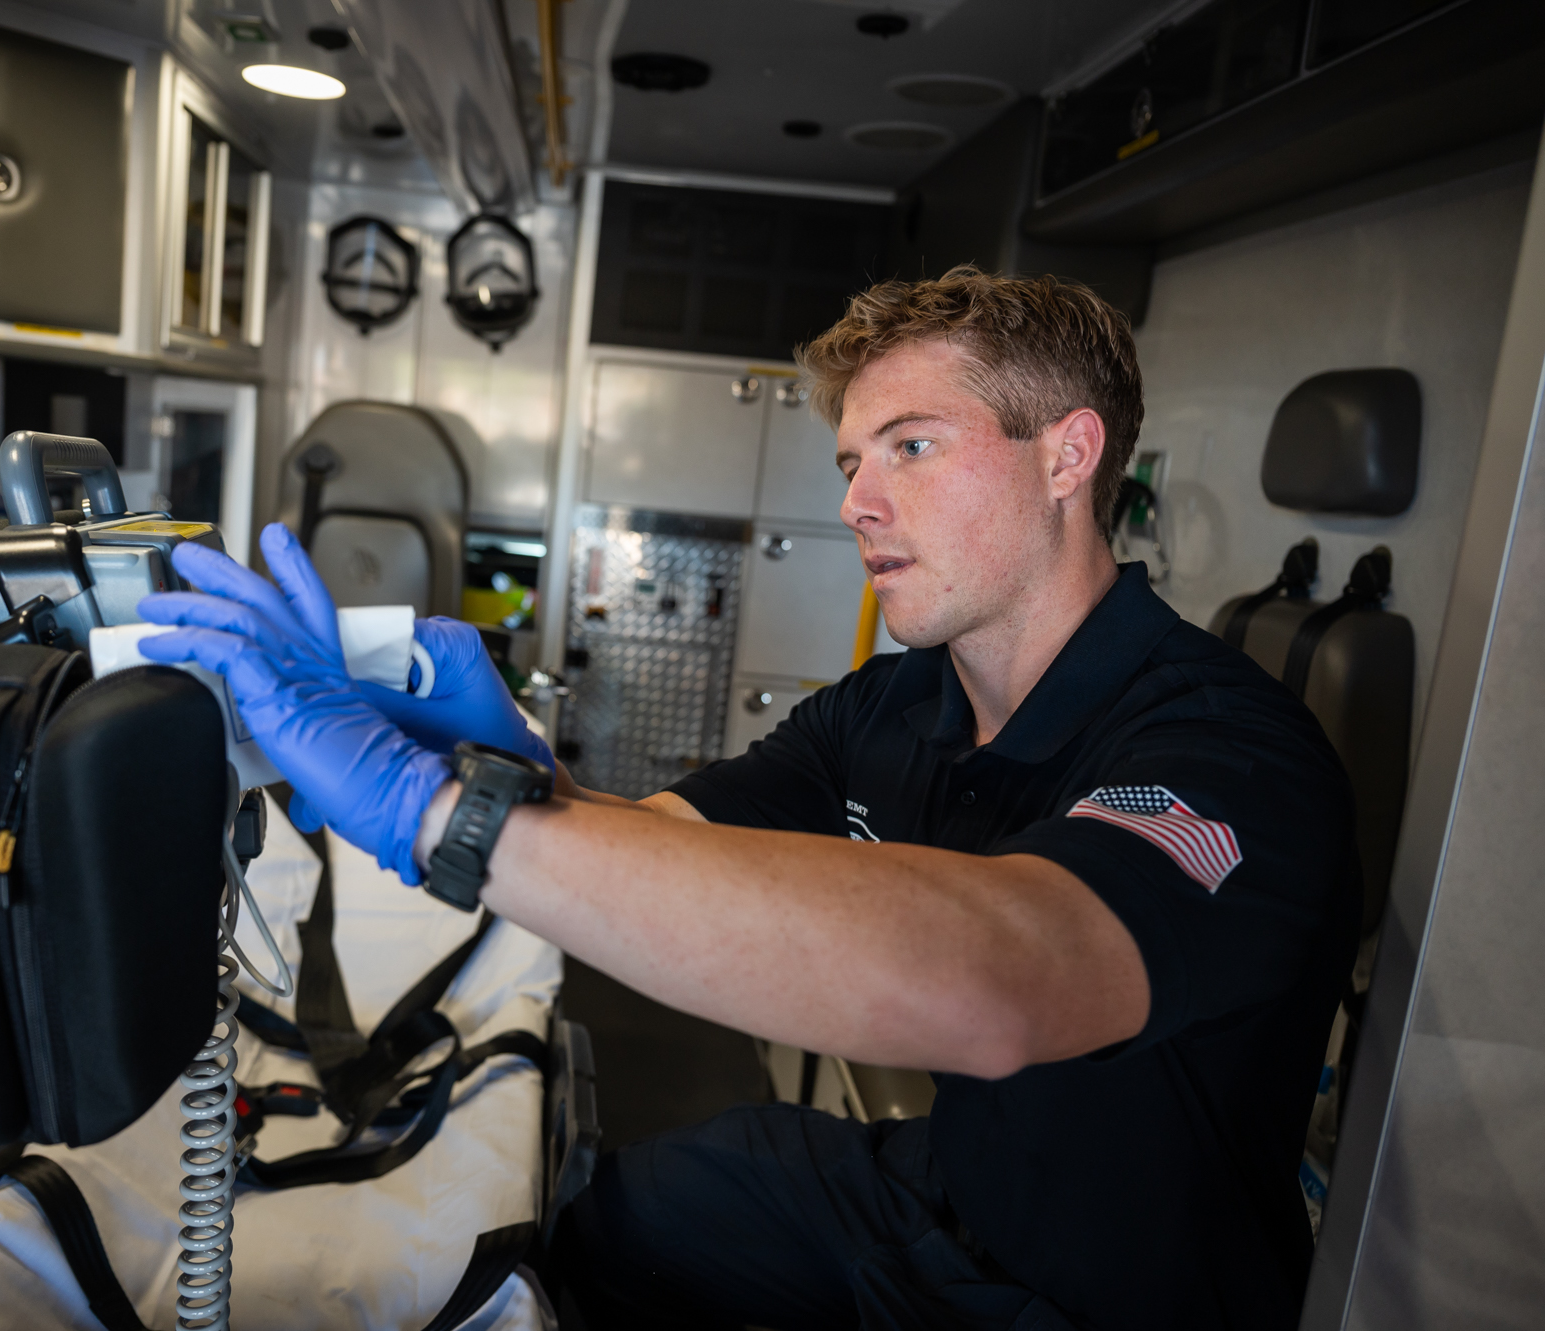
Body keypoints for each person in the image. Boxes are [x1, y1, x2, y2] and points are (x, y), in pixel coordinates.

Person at [137, 268, 1361, 1331]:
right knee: (591, 1229)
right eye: (849, 460)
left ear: (1067, 453)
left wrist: (442, 817)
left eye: (912, 446)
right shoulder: (889, 705)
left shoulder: (1224, 747)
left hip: (1117, 1293)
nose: (854, 502)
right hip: (946, 1190)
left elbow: (995, 981)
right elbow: (660, 845)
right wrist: (497, 766)